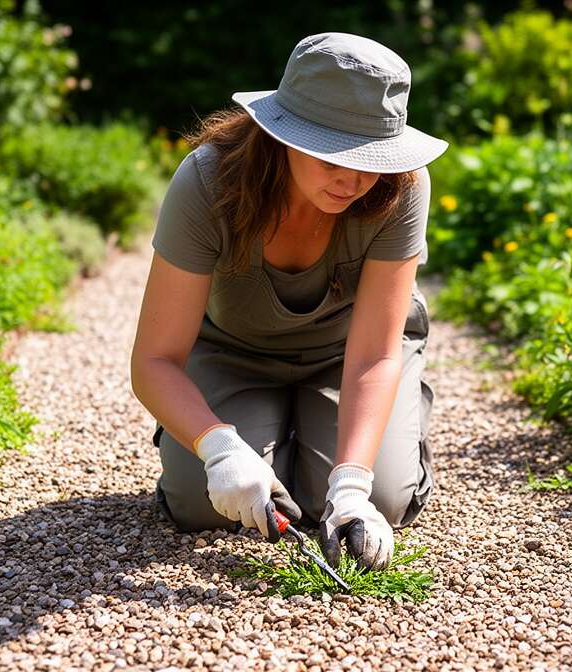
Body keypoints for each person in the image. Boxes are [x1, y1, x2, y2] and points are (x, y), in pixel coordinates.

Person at [130, 32, 448, 572]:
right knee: (198, 504)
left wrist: (350, 485)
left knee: (381, 501)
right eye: (333, 158)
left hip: (347, 356)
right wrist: (218, 450)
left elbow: (373, 353)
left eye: (371, 158)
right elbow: (153, 360)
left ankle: (328, 449)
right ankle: (256, 435)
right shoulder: (209, 182)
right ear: (285, 136)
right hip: (233, 350)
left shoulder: (403, 188)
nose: (353, 181)